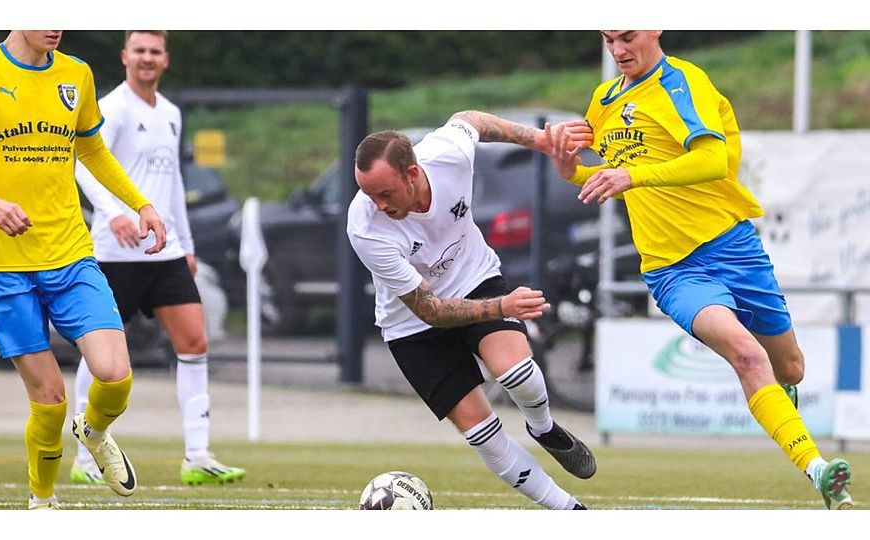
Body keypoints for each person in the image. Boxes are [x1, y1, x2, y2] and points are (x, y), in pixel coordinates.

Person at [548, 30, 853, 510]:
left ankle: (778, 397)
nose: (618, 50)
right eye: (609, 40)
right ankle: (818, 470)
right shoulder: (604, 99)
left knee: (789, 367)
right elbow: (607, 176)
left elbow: (711, 160)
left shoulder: (684, 83)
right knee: (748, 356)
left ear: (655, 28)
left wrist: (634, 175)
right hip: (673, 270)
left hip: (733, 247)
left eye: (627, 37)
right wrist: (572, 172)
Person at [0, 30, 167, 509]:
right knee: (49, 399)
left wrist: (141, 204)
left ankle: (93, 431)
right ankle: (43, 500)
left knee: (115, 375)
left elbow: (92, 150)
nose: (56, 25)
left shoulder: (76, 74)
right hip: (2, 263)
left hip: (70, 253)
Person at [347, 111, 595, 510]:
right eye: (368, 194)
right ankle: (569, 511)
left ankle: (544, 428)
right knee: (483, 432)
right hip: (410, 324)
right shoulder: (364, 227)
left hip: (473, 277)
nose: (376, 204)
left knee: (517, 373)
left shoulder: (446, 154)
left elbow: (472, 121)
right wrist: (503, 306)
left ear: (413, 173)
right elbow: (429, 310)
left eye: (385, 194)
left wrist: (540, 140)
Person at [71, 30, 245, 486]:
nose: (147, 58)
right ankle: (86, 457)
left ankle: (198, 455)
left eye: (155, 51)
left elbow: (172, 191)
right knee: (100, 356)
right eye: (140, 50)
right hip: (117, 254)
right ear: (125, 56)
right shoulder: (111, 108)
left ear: (165, 59)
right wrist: (111, 215)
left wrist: (186, 245)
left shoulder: (171, 113)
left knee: (195, 342)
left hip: (164, 253)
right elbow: (82, 164)